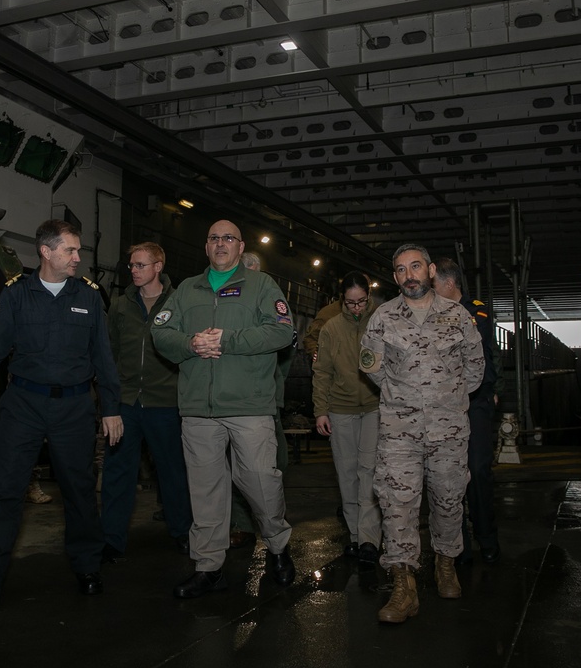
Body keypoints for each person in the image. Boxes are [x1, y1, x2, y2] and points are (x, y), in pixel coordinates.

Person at [0, 219, 123, 617]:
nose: (78, 258)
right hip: (23, 406)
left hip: (75, 409)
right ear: (46, 252)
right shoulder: (16, 296)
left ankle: (88, 568)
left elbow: (104, 360)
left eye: (78, 251)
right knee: (5, 494)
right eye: (70, 250)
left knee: (79, 492)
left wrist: (110, 408)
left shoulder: (89, 297)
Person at [151, 220, 296, 598]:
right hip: (198, 408)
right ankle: (209, 566)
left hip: (249, 406)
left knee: (261, 483)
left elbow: (282, 330)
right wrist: (190, 343)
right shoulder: (186, 289)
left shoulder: (262, 286)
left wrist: (227, 340)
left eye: (228, 238)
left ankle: (278, 544)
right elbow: (161, 332)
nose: (220, 244)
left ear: (240, 245)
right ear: (206, 246)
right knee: (206, 492)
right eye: (213, 238)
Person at [359, 244, 484, 624]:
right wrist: (406, 397)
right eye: (400, 270)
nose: (408, 275)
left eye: (415, 267)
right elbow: (372, 367)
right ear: (394, 276)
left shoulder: (457, 315)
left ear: (430, 270)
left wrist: (444, 400)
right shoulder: (382, 317)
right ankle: (403, 587)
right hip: (399, 430)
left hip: (448, 430)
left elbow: (475, 369)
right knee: (397, 503)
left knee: (448, 498)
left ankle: (445, 564)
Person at [102, 242, 192, 561]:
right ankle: (111, 539)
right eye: (132, 266)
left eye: (140, 265)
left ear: (158, 267)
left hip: (165, 403)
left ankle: (182, 532)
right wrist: (109, 403)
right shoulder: (120, 306)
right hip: (126, 403)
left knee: (173, 472)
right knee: (117, 473)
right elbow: (109, 355)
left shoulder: (180, 303)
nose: (134, 271)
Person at [432, 257, 501, 564]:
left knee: (478, 471)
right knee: (448, 477)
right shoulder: (430, 315)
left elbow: (486, 355)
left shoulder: (477, 312)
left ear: (449, 284)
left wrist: (493, 390)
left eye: (434, 285)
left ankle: (487, 537)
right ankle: (456, 545)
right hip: (444, 405)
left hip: (475, 403)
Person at [312, 271, 382, 567]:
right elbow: (322, 372)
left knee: (369, 471)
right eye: (351, 303)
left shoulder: (381, 321)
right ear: (343, 299)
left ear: (369, 296)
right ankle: (354, 535)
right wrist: (320, 411)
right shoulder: (330, 328)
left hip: (375, 407)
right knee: (347, 471)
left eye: (362, 302)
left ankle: (368, 538)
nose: (356, 308)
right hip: (340, 410)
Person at [228, 252, 292, 549]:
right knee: (237, 466)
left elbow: (285, 352)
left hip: (267, 398)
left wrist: (272, 386)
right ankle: (241, 525)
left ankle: (274, 526)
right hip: (238, 399)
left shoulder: (271, 301)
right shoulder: (231, 307)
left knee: (269, 467)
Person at [0, 242, 53, 505]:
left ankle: (32, 482)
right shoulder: (15, 294)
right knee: (24, 443)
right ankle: (27, 483)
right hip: (23, 385)